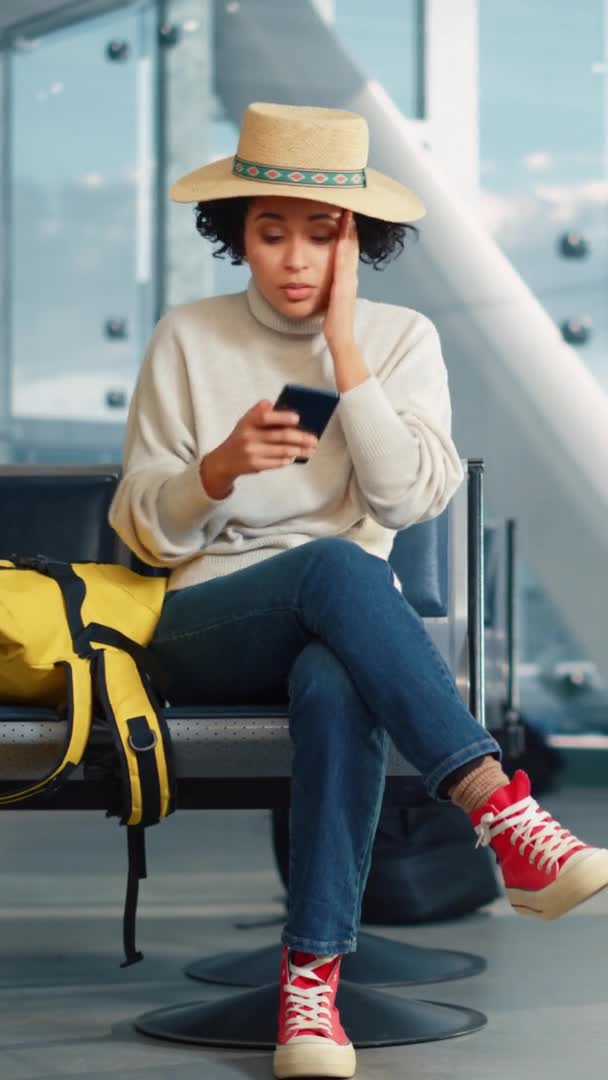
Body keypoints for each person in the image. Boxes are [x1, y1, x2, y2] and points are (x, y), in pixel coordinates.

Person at [109, 102, 608, 1080]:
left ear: (356, 237)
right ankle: (500, 813)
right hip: (204, 618)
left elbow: (409, 494)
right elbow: (138, 529)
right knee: (341, 564)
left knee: (340, 677)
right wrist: (214, 469)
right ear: (237, 234)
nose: (294, 257)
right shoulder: (186, 338)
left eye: (320, 231)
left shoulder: (400, 337)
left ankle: (311, 990)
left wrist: (345, 355)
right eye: (270, 230)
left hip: (339, 631)